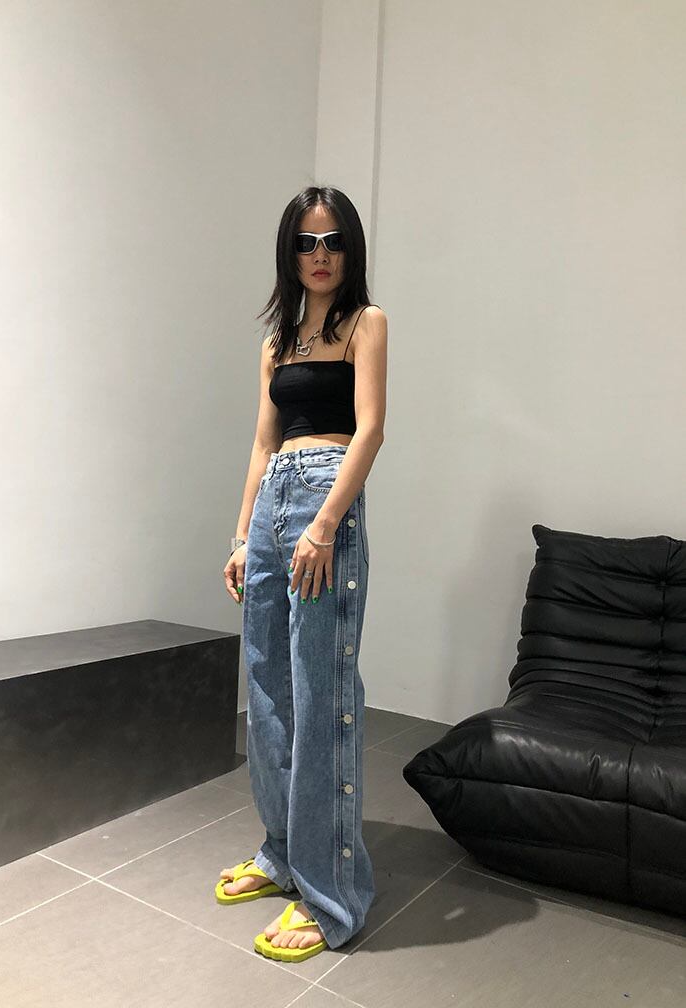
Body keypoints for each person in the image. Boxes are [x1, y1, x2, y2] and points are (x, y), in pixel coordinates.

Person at [219, 185, 387, 962]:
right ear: (290, 253)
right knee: (266, 689)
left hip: (326, 500)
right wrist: (243, 534)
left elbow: (371, 429)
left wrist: (323, 526)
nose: (321, 256)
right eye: (306, 243)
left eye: (333, 241)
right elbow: (262, 443)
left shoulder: (365, 323)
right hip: (273, 504)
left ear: (350, 250)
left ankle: (332, 895)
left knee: (322, 696)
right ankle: (284, 852)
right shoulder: (277, 340)